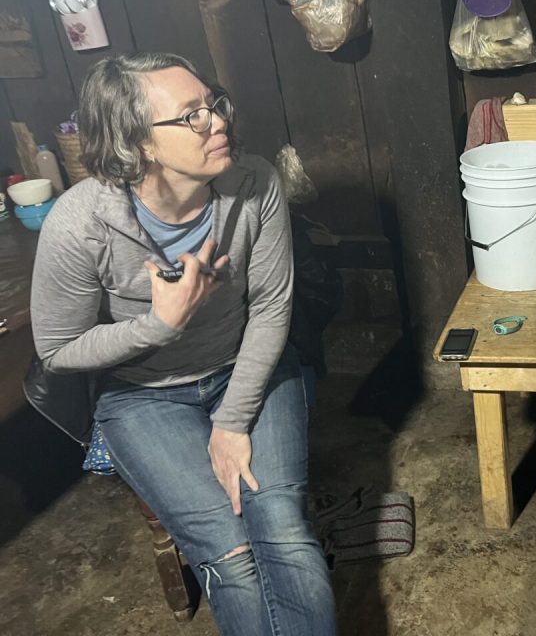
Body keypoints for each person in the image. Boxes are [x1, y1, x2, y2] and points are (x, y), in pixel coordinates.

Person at [30, 53, 336, 635]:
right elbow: (58, 350)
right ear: (138, 143)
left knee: (284, 533)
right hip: (143, 396)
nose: (217, 122)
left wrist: (233, 422)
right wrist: (159, 326)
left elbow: (272, 306)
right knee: (231, 555)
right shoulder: (78, 223)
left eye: (213, 103)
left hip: (248, 368)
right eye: (191, 116)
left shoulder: (255, 183)